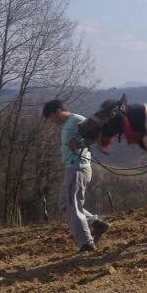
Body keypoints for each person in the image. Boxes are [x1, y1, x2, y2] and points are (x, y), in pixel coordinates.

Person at [42, 99, 109, 252]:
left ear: (57, 112)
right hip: (72, 168)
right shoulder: (68, 124)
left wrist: (81, 143)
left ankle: (87, 243)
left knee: (74, 205)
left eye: (51, 118)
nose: (52, 122)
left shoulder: (77, 120)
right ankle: (98, 224)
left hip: (78, 168)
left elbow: (96, 134)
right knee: (65, 203)